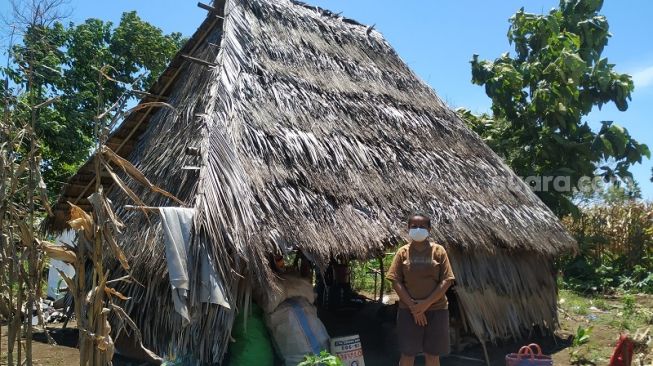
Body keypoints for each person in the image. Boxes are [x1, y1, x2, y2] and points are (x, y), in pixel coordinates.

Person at [386, 213, 456, 366]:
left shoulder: (439, 251)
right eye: (414, 226)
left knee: (432, 356)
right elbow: (395, 280)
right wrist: (414, 308)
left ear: (429, 229)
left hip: (437, 310)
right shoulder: (402, 252)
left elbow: (447, 280)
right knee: (407, 355)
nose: (418, 229)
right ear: (408, 229)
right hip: (408, 312)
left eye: (422, 226)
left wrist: (425, 305)